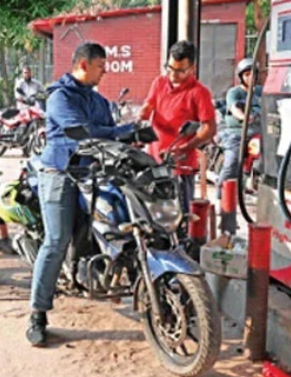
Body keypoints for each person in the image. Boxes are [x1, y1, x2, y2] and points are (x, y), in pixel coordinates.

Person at [26, 42, 135, 347]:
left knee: (119, 222)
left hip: (92, 173)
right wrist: (122, 132)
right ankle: (37, 314)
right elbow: (82, 130)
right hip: (60, 172)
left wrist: (135, 136)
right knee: (57, 239)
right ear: (84, 65)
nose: (105, 71)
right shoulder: (59, 97)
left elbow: (112, 135)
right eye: (101, 65)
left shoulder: (99, 101)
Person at [138, 40, 217, 214]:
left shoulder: (199, 92)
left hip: (179, 167)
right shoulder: (159, 83)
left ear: (192, 68)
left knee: (179, 216)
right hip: (154, 162)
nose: (173, 74)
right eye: (170, 68)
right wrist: (138, 121)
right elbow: (148, 107)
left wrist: (186, 147)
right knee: (152, 214)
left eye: (180, 71)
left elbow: (209, 128)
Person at [218, 58, 262, 198]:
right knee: (232, 164)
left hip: (259, 134)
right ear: (241, 77)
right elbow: (234, 107)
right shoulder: (234, 92)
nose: (251, 77)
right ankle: (221, 197)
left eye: (253, 74)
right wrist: (243, 117)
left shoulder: (260, 91)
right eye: (247, 74)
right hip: (238, 134)